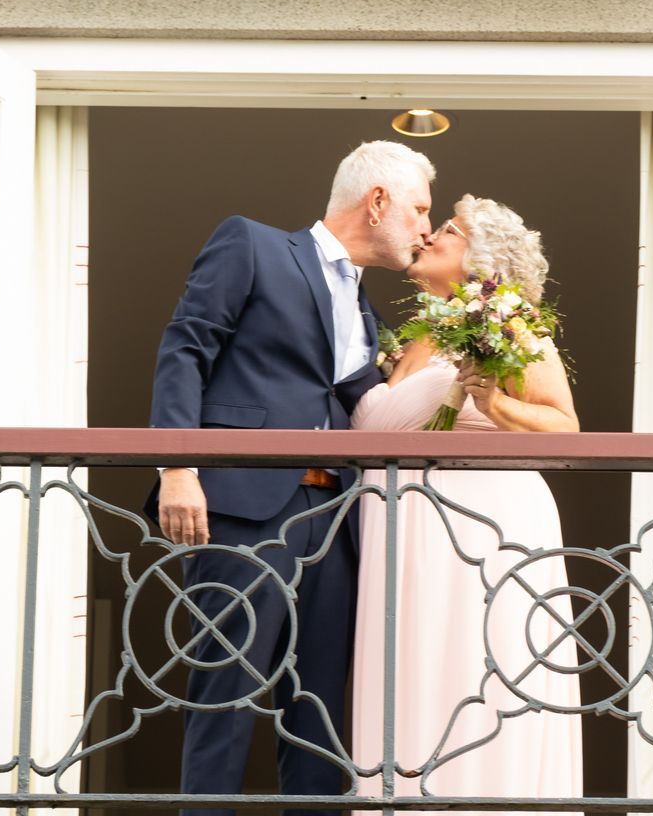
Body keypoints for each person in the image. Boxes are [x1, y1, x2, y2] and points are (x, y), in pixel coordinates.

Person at [146, 140, 435, 816]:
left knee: (320, 714)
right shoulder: (252, 244)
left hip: (336, 521)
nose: (425, 227)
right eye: (420, 209)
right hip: (248, 507)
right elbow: (185, 348)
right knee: (224, 689)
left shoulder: (368, 313)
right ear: (378, 201)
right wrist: (177, 466)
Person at [349, 195, 583, 812]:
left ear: (482, 260)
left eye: (448, 230)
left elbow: (565, 429)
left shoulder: (507, 321)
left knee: (478, 677)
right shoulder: (415, 338)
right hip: (407, 539)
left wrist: (493, 402)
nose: (429, 236)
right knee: (414, 683)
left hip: (483, 528)